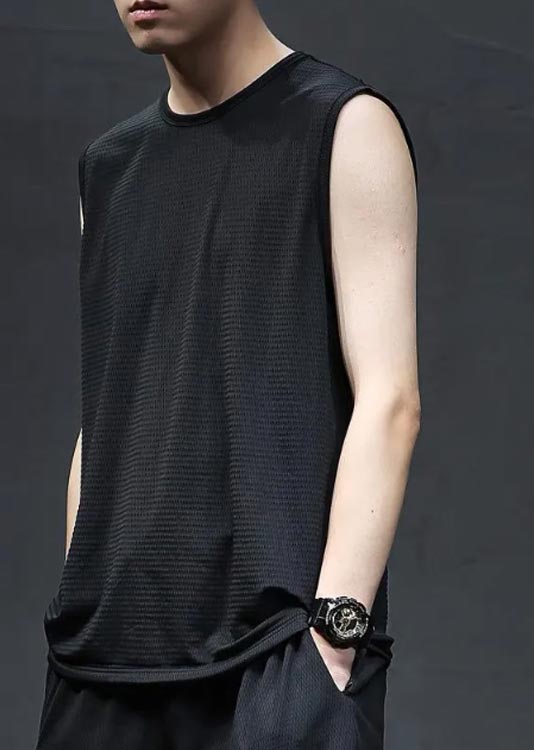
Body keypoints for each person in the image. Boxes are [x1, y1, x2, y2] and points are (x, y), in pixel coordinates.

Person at [34, 1, 420, 748]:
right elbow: (106, 413)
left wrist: (335, 636)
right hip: (105, 662)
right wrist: (81, 595)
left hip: (275, 655)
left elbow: (390, 399)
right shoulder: (109, 168)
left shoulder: (342, 125)